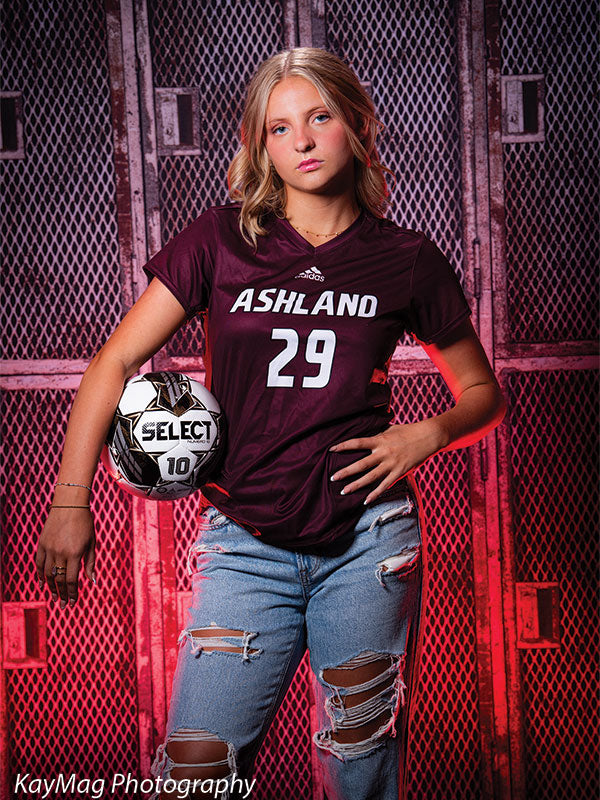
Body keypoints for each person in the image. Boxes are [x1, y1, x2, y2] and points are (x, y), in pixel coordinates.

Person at [35, 47, 505, 800]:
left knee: (360, 769)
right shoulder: (222, 240)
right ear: (260, 146)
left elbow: (482, 390)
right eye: (280, 129)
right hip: (244, 542)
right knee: (196, 772)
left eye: (320, 118)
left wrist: (426, 433)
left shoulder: (406, 259)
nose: (305, 141)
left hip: (368, 541)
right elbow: (113, 364)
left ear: (354, 125)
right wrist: (69, 500)